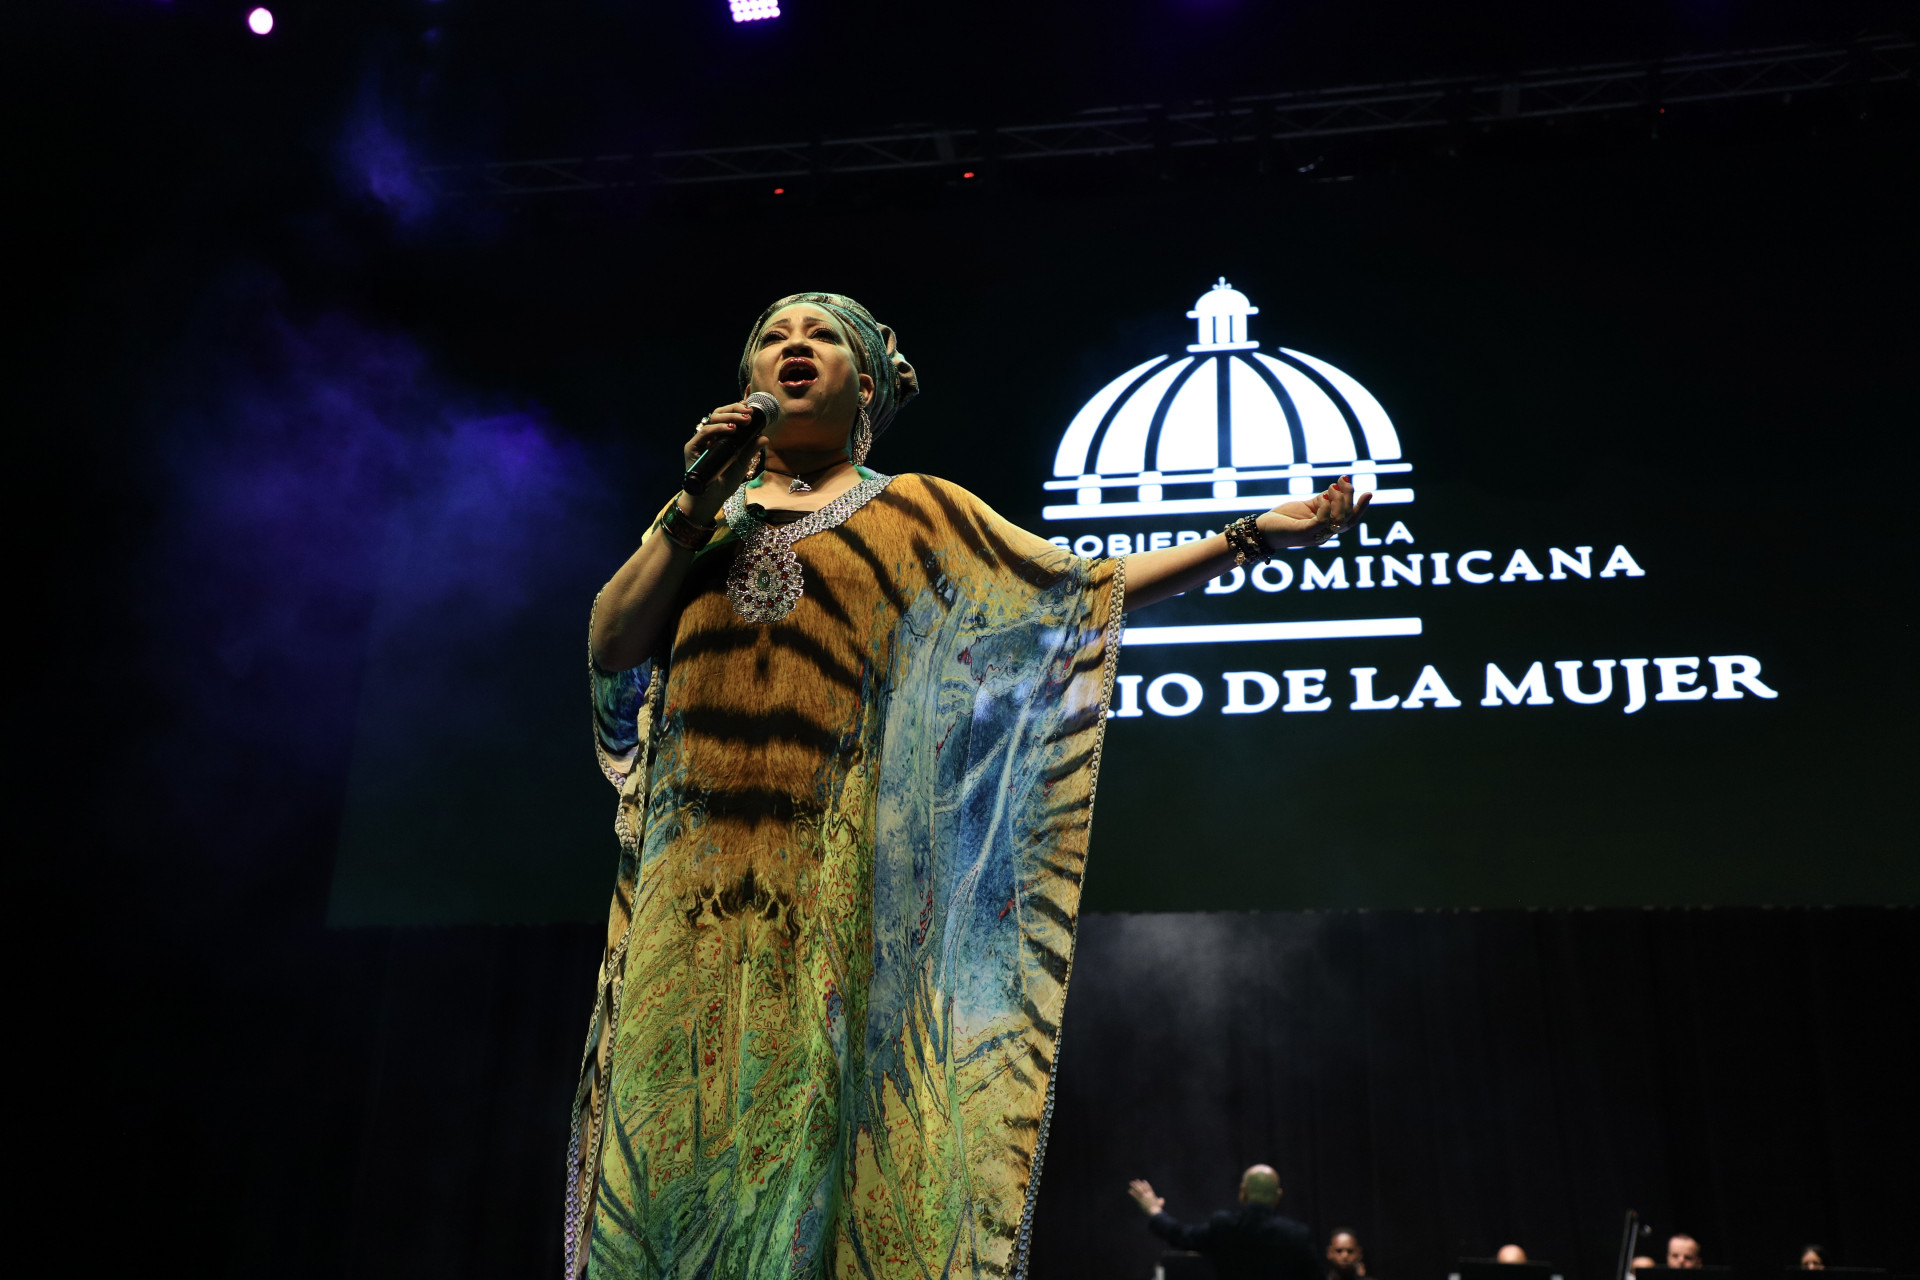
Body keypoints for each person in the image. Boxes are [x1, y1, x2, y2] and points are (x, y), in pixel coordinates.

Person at [565, 292, 1370, 1278]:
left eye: (820, 335)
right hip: (689, 894)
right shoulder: (705, 514)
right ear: (749, 382)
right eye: (773, 337)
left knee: (808, 1158)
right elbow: (614, 644)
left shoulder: (917, 511)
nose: (793, 346)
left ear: (866, 384)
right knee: (666, 1152)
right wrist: (693, 503)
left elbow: (1081, 592)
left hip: (835, 892)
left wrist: (1249, 536)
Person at [1127, 1166, 1318, 1280]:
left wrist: (1154, 1210)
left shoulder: (1224, 1227)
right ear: (1278, 1197)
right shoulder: (1298, 1236)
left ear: (1242, 1193)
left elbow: (1179, 1234)